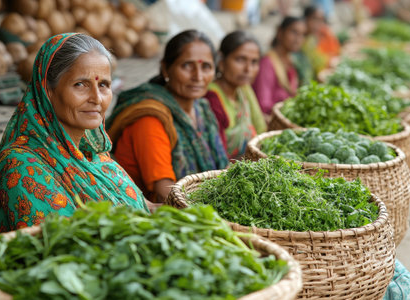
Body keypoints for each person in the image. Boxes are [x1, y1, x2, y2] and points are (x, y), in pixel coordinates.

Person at [0, 33, 153, 241]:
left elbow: (144, 207)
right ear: (48, 91)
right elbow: (63, 249)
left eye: (104, 85)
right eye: (80, 84)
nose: (96, 98)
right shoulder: (21, 167)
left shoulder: (95, 155)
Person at [106, 30, 228, 203]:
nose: (198, 76)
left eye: (206, 67)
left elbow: (222, 167)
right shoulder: (150, 119)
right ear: (165, 68)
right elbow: (166, 194)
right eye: (187, 66)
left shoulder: (202, 109)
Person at [205, 31, 266, 160]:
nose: (248, 69)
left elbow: (261, 130)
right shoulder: (211, 97)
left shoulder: (243, 90)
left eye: (254, 62)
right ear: (221, 61)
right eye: (240, 60)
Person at [252, 16, 306, 115]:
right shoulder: (267, 63)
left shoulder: (291, 63)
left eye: (302, 35)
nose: (298, 39)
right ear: (280, 32)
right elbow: (264, 104)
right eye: (294, 32)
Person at [302, 5, 340, 75]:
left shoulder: (312, 39)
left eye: (321, 20)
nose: (318, 24)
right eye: (315, 19)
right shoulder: (300, 40)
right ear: (306, 19)